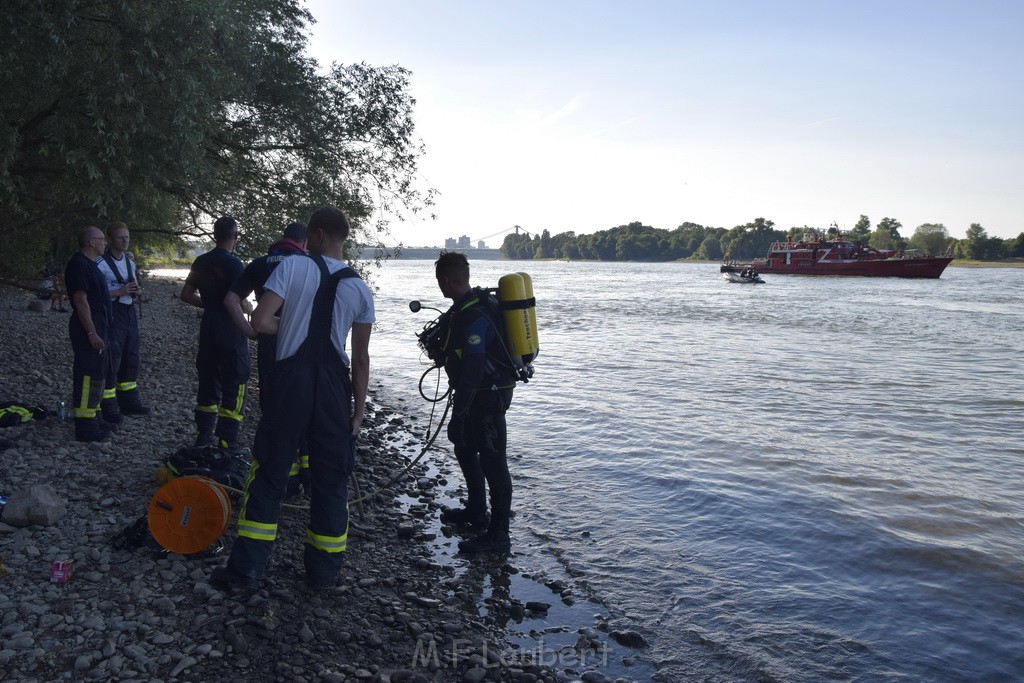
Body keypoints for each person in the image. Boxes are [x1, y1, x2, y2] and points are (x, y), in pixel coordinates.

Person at [211, 205, 373, 591]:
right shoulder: (360, 287)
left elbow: (259, 323)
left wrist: (292, 324)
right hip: (335, 390)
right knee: (331, 481)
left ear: (316, 235)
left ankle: (246, 571)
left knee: (269, 473)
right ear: (342, 238)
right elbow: (362, 359)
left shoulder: (291, 267)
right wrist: (359, 412)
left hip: (289, 385)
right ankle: (324, 575)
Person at [434, 251, 518, 554]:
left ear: (444, 281)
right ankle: (477, 510)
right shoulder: (469, 306)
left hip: (487, 396)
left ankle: (499, 536)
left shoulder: (474, 314)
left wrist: (459, 414)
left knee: (494, 462)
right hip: (479, 394)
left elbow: (472, 368)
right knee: (465, 447)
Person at [225, 221, 309, 493]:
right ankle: (304, 473)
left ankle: (277, 470)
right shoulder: (308, 264)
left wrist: (250, 331)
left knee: (272, 404)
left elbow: (230, 300)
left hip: (269, 342)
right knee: (302, 403)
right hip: (300, 342)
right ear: (304, 242)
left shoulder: (260, 263)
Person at [180, 217, 250, 449]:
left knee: (208, 379)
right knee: (236, 381)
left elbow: (187, 295)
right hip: (231, 330)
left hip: (209, 327)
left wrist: (210, 305)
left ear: (214, 235)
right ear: (235, 236)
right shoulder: (235, 265)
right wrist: (250, 310)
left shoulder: (200, 261)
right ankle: (226, 440)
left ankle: (203, 434)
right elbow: (240, 303)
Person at [95, 222, 150, 421]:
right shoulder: (100, 264)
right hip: (112, 314)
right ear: (110, 240)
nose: (125, 240)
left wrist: (137, 291)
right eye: (121, 237)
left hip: (129, 312)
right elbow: (94, 295)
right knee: (113, 358)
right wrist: (120, 291)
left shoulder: (130, 262)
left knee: (131, 355)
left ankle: (129, 401)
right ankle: (109, 405)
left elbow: (133, 285)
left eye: (127, 236)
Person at [64, 226, 113, 442]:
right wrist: (91, 332)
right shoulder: (78, 264)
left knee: (97, 373)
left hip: (98, 325)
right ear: (91, 242)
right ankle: (85, 426)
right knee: (87, 375)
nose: (105, 242)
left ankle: (95, 416)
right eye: (102, 239)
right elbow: (80, 301)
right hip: (87, 328)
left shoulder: (91, 265)